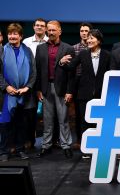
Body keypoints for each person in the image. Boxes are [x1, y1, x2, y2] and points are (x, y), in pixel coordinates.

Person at [59, 29, 110, 159]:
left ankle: (99, 148)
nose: (89, 40)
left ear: (99, 40)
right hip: (83, 94)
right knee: (84, 122)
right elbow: (71, 67)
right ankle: (86, 148)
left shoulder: (107, 55)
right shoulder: (82, 54)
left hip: (101, 94)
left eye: (92, 38)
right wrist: (62, 62)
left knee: (99, 122)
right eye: (88, 38)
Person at [35, 20, 75, 159]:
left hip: (62, 89)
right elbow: (38, 71)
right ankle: (46, 146)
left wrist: (70, 91)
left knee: (63, 119)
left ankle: (66, 146)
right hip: (45, 88)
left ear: (60, 31)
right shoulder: (40, 49)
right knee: (47, 120)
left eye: (54, 30)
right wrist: (38, 89)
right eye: (49, 30)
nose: (51, 32)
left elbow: (71, 73)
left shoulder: (68, 48)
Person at [0, 23, 36, 162]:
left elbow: (33, 72)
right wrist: (6, 87)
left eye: (15, 34)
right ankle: (4, 151)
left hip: (23, 94)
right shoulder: (2, 50)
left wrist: (27, 87)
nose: (12, 36)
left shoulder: (27, 51)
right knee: (5, 124)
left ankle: (20, 149)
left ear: (21, 36)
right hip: (6, 94)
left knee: (21, 123)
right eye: (10, 33)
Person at [23, 18, 48, 150]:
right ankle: (29, 141)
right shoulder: (26, 42)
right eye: (37, 25)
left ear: (45, 28)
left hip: (46, 81)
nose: (39, 27)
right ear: (33, 27)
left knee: (49, 114)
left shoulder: (49, 41)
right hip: (30, 82)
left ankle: (50, 142)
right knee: (30, 113)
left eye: (42, 26)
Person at [72, 22, 93, 149]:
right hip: (77, 83)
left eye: (86, 31)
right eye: (82, 31)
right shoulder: (74, 48)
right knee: (79, 114)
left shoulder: (95, 47)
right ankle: (79, 140)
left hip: (91, 84)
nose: (84, 33)